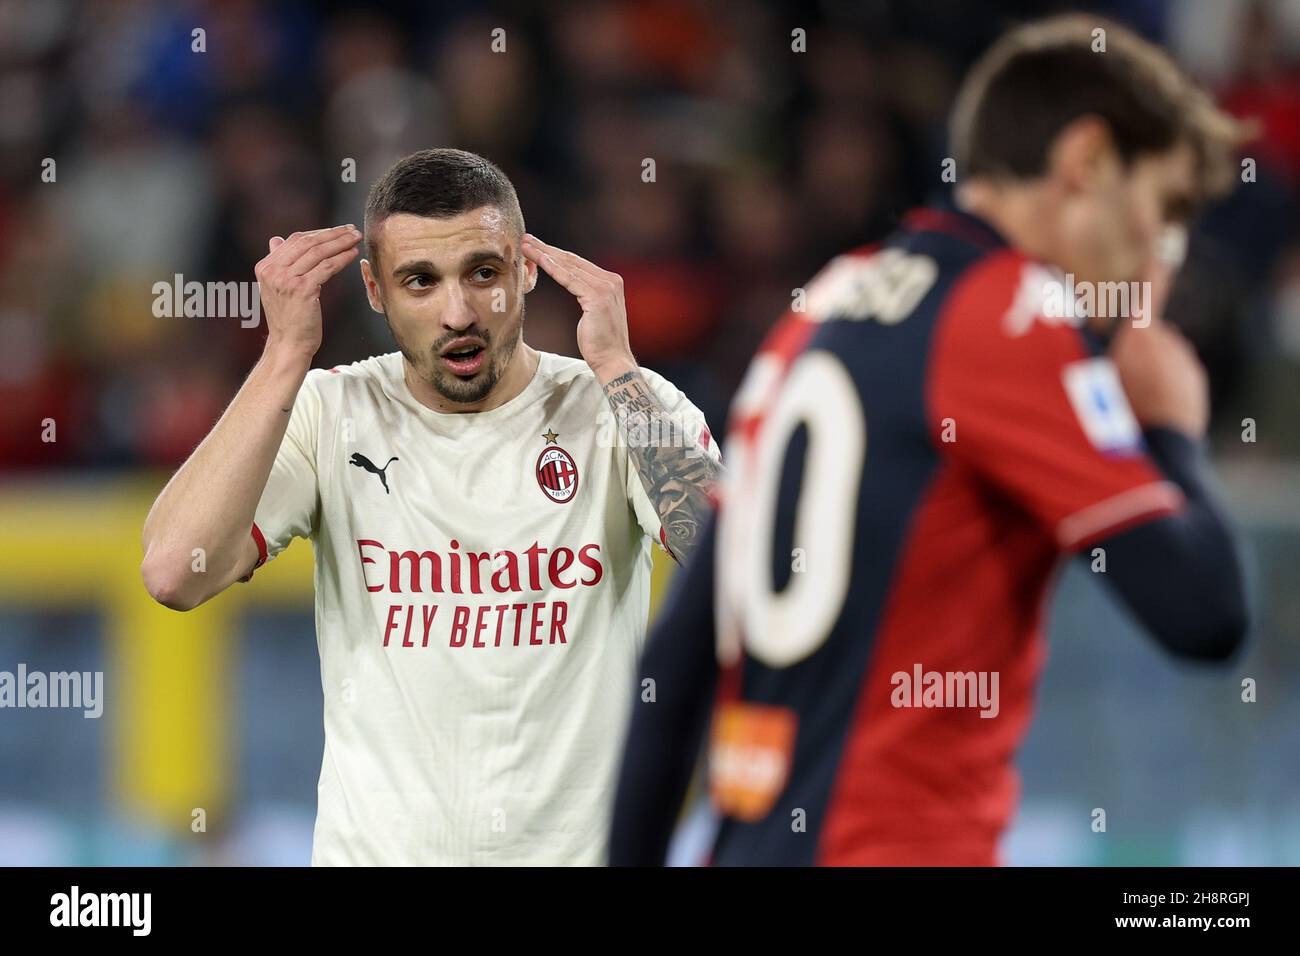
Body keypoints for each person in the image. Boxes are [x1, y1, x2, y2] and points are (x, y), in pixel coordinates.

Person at [610, 15, 1250, 867]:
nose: (1156, 270)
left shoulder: (825, 305)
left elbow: (677, 667)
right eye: (1159, 217)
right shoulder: (1014, 316)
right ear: (1087, 163)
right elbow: (1205, 612)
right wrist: (1170, 427)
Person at [141, 148, 721, 865]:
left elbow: (728, 569)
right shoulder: (330, 411)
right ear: (375, 290)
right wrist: (284, 354)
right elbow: (173, 572)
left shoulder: (619, 405)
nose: (458, 313)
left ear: (526, 270)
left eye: (484, 273)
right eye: (420, 281)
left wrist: (616, 369)